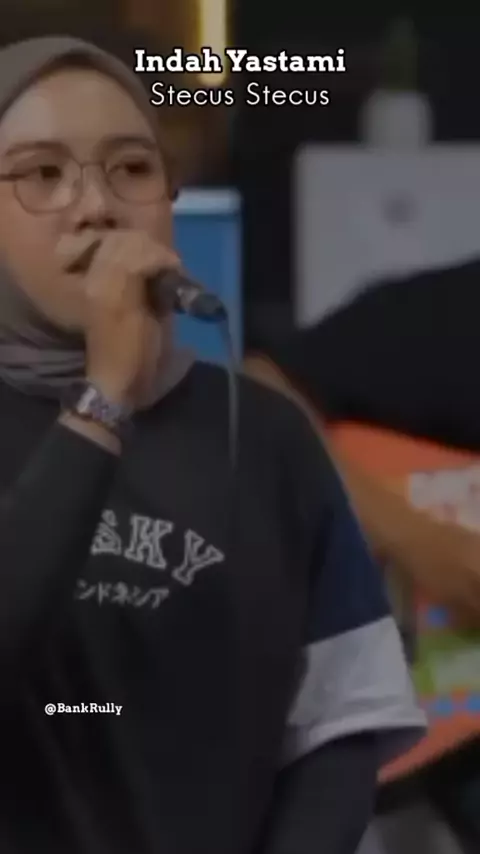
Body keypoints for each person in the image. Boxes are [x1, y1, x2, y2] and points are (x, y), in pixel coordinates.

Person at [0, 36, 425, 854]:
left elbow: (341, 720)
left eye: (132, 169)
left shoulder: (267, 434)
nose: (96, 207)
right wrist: (103, 400)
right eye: (43, 174)